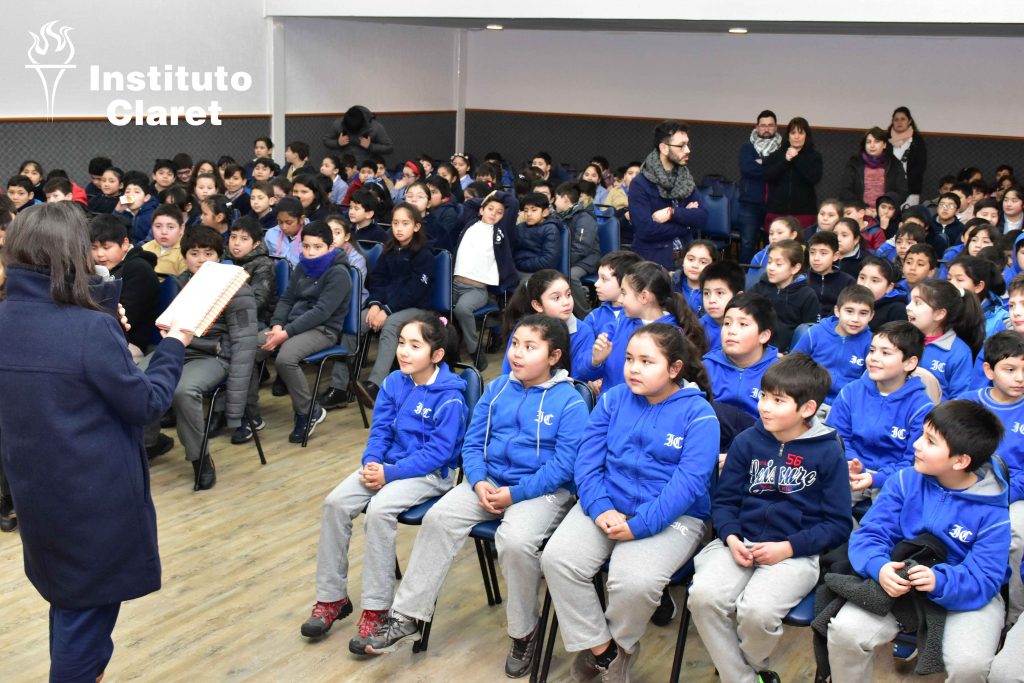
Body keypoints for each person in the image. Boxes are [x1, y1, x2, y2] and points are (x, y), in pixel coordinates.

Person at [0, 202, 192, 681]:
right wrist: (174, 345)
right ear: (73, 254)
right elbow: (146, 402)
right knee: (85, 626)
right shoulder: (89, 329)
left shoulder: (7, 318)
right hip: (94, 499)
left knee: (69, 606)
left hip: (37, 492)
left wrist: (101, 311)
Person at [359, 315, 587, 679]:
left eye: (530, 347)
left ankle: (524, 633)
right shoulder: (496, 389)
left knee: (515, 541)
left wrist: (516, 493)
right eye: (515, 344)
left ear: (554, 356)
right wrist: (478, 481)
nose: (517, 353)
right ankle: (408, 617)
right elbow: (472, 442)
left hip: (540, 491)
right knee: (439, 518)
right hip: (488, 482)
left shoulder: (570, 401)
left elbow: (564, 465)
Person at [541, 324, 719, 681]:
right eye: (629, 359)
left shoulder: (699, 415)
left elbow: (686, 486)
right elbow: (587, 461)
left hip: (672, 516)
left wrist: (639, 525)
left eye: (646, 362)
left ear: (674, 368)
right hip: (606, 501)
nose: (634, 368)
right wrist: (600, 507)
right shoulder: (613, 399)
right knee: (558, 559)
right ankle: (604, 650)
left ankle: (617, 646)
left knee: (634, 582)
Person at [301, 314, 468, 646]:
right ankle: (332, 598)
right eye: (401, 343)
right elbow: (379, 431)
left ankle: (376, 609)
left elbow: (438, 453)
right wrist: (372, 463)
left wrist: (389, 473)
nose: (403, 351)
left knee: (379, 512)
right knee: (335, 503)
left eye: (415, 346)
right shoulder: (394, 382)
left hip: (429, 475)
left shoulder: (450, 397)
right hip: (386, 467)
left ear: (436, 355)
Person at [689, 353, 852, 683]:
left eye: (778, 401)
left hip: (795, 554)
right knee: (703, 597)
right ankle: (746, 678)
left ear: (807, 409)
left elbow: (838, 524)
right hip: (738, 542)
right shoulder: (747, 441)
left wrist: (788, 548)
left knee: (757, 613)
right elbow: (724, 502)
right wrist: (731, 537)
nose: (764, 406)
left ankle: (745, 667)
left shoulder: (828, 451)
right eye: (764, 396)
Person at [825, 401, 1010, 683]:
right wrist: (879, 567)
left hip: (967, 590)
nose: (916, 445)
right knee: (845, 631)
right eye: (922, 434)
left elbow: (985, 577)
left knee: (969, 665)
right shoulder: (904, 481)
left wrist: (940, 581)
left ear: (960, 461)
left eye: (930, 441)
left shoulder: (993, 512)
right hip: (901, 581)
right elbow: (870, 534)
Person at [163, 226, 257, 488]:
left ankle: (200, 458)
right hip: (180, 347)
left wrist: (234, 412)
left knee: (183, 390)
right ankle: (150, 442)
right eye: (194, 254)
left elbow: (244, 347)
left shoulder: (236, 289)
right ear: (185, 256)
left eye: (208, 253)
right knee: (138, 374)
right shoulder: (180, 282)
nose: (201, 260)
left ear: (219, 256)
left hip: (216, 356)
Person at [247, 220, 353, 444]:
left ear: (330, 247)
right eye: (306, 246)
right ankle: (250, 413)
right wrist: (277, 325)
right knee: (246, 349)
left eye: (317, 247)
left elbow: (321, 312)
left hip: (323, 330)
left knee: (286, 359)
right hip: (291, 327)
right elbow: (287, 299)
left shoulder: (339, 273)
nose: (310, 252)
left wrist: (285, 333)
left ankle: (308, 411)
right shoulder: (303, 266)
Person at [826, 321, 933, 500]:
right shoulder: (851, 392)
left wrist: (876, 478)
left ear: (909, 363)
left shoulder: (921, 407)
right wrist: (853, 463)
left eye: (885, 353)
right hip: (850, 471)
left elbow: (914, 460)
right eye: (872, 350)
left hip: (894, 480)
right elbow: (837, 437)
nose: (874, 358)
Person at [960, 330, 1024, 623]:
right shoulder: (967, 405)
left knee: (1016, 535)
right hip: (964, 486)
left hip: (1014, 494)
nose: (1019, 378)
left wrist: (999, 493)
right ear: (988, 370)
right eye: (1010, 370)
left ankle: (1011, 615)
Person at [353, 203, 435, 407]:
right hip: (386, 305)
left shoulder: (424, 254)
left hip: (416, 308)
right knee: (356, 321)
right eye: (395, 223)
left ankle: (375, 385)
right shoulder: (389, 250)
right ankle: (342, 383)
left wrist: (387, 310)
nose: (399, 228)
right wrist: (375, 304)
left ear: (416, 226)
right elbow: (378, 280)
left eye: (405, 223)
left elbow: (415, 290)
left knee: (391, 325)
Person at [585, 261, 708, 390]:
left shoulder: (671, 336)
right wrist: (595, 362)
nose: (620, 300)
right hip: (612, 402)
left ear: (644, 297)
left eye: (624, 293)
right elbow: (583, 373)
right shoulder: (618, 325)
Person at [628, 120, 708, 269]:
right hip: (652, 264)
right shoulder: (640, 184)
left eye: (688, 144)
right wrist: (686, 226)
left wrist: (673, 213)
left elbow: (702, 217)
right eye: (681, 146)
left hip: (686, 260)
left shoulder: (685, 179)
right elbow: (645, 230)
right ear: (664, 148)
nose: (687, 150)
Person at [499, 270, 595, 379]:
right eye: (556, 298)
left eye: (568, 295)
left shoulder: (583, 333)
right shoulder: (523, 329)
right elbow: (508, 372)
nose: (566, 302)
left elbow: (579, 378)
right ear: (538, 305)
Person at [90, 215, 160, 360]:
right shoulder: (99, 269)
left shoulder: (139, 270)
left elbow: (125, 320)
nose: (99, 254)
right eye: (93, 248)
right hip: (99, 334)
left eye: (106, 247)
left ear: (124, 244)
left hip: (128, 343)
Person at [792, 284, 875, 407]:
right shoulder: (815, 333)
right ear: (837, 311)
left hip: (847, 404)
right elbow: (793, 365)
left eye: (863, 313)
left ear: (871, 315)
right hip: (809, 397)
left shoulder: (871, 343)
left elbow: (870, 381)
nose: (855, 319)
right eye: (849, 311)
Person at [703, 292, 780, 418]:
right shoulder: (706, 367)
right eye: (727, 323)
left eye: (743, 324)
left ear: (763, 336)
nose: (731, 331)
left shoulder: (779, 373)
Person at [907, 279, 983, 399]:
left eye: (917, 303)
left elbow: (960, 397)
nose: (908, 307)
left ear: (939, 314)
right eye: (910, 301)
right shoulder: (903, 339)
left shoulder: (958, 352)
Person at [750, 239, 819, 352]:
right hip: (755, 347)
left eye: (778, 264)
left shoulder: (807, 295)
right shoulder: (760, 287)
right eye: (769, 262)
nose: (771, 268)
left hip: (787, 355)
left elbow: (809, 333)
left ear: (795, 268)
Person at [737, 110, 782, 263]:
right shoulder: (747, 148)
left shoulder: (783, 149)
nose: (766, 129)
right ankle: (746, 276)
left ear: (776, 127)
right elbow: (747, 168)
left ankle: (770, 275)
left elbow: (781, 171)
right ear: (757, 127)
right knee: (747, 244)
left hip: (775, 205)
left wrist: (763, 162)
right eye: (763, 125)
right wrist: (772, 166)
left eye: (770, 125)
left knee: (775, 245)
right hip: (750, 205)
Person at [763, 117, 823, 229]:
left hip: (804, 213)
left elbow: (813, 178)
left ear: (806, 136)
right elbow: (768, 176)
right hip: (777, 212)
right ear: (788, 135)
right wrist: (786, 161)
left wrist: (796, 159)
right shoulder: (776, 155)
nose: (796, 136)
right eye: (793, 133)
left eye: (801, 133)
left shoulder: (814, 157)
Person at [554, 182, 600, 317]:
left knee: (570, 276)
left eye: (556, 198)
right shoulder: (558, 216)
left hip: (587, 259)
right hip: (568, 258)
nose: (554, 202)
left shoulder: (584, 218)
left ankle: (585, 315)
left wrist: (563, 264)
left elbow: (581, 248)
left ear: (565, 199)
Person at [839, 127, 908, 211]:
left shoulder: (894, 164)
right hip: (859, 210)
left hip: (886, 212)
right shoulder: (854, 163)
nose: (872, 145)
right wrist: (862, 208)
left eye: (876, 141)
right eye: (868, 142)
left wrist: (884, 207)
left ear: (884, 145)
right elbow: (845, 191)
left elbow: (902, 192)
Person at [581, 250, 644, 339]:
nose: (596, 284)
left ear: (625, 281)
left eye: (604, 279)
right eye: (598, 277)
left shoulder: (640, 316)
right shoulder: (594, 317)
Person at [806, 231, 855, 321]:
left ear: (835, 256)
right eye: (812, 252)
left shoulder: (848, 282)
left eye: (823, 253)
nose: (816, 258)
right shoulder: (802, 279)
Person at [700, 260, 745, 353]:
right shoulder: (697, 329)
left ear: (738, 296)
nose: (711, 300)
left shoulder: (749, 327)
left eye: (720, 293)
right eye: (706, 293)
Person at [514, 191, 561, 279]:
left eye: (534, 210)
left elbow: (548, 261)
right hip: (518, 269)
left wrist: (521, 264)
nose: (529, 214)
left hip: (540, 273)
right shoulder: (520, 227)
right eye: (526, 210)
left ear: (545, 212)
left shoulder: (550, 229)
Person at [323, 105, 394, 162]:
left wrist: (370, 146)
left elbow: (389, 148)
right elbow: (326, 140)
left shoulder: (375, 127)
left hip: (367, 166)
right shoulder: (338, 124)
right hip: (344, 164)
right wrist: (338, 143)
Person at [887, 106, 927, 206]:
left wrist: (904, 183)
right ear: (892, 122)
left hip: (911, 189)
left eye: (903, 119)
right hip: (889, 188)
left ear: (909, 121)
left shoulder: (917, 141)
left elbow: (920, 166)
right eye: (896, 119)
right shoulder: (886, 141)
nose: (899, 122)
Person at [142, 204, 188, 278]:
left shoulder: (186, 252)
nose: (164, 232)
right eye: (158, 226)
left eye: (170, 227)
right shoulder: (145, 248)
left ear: (181, 228)